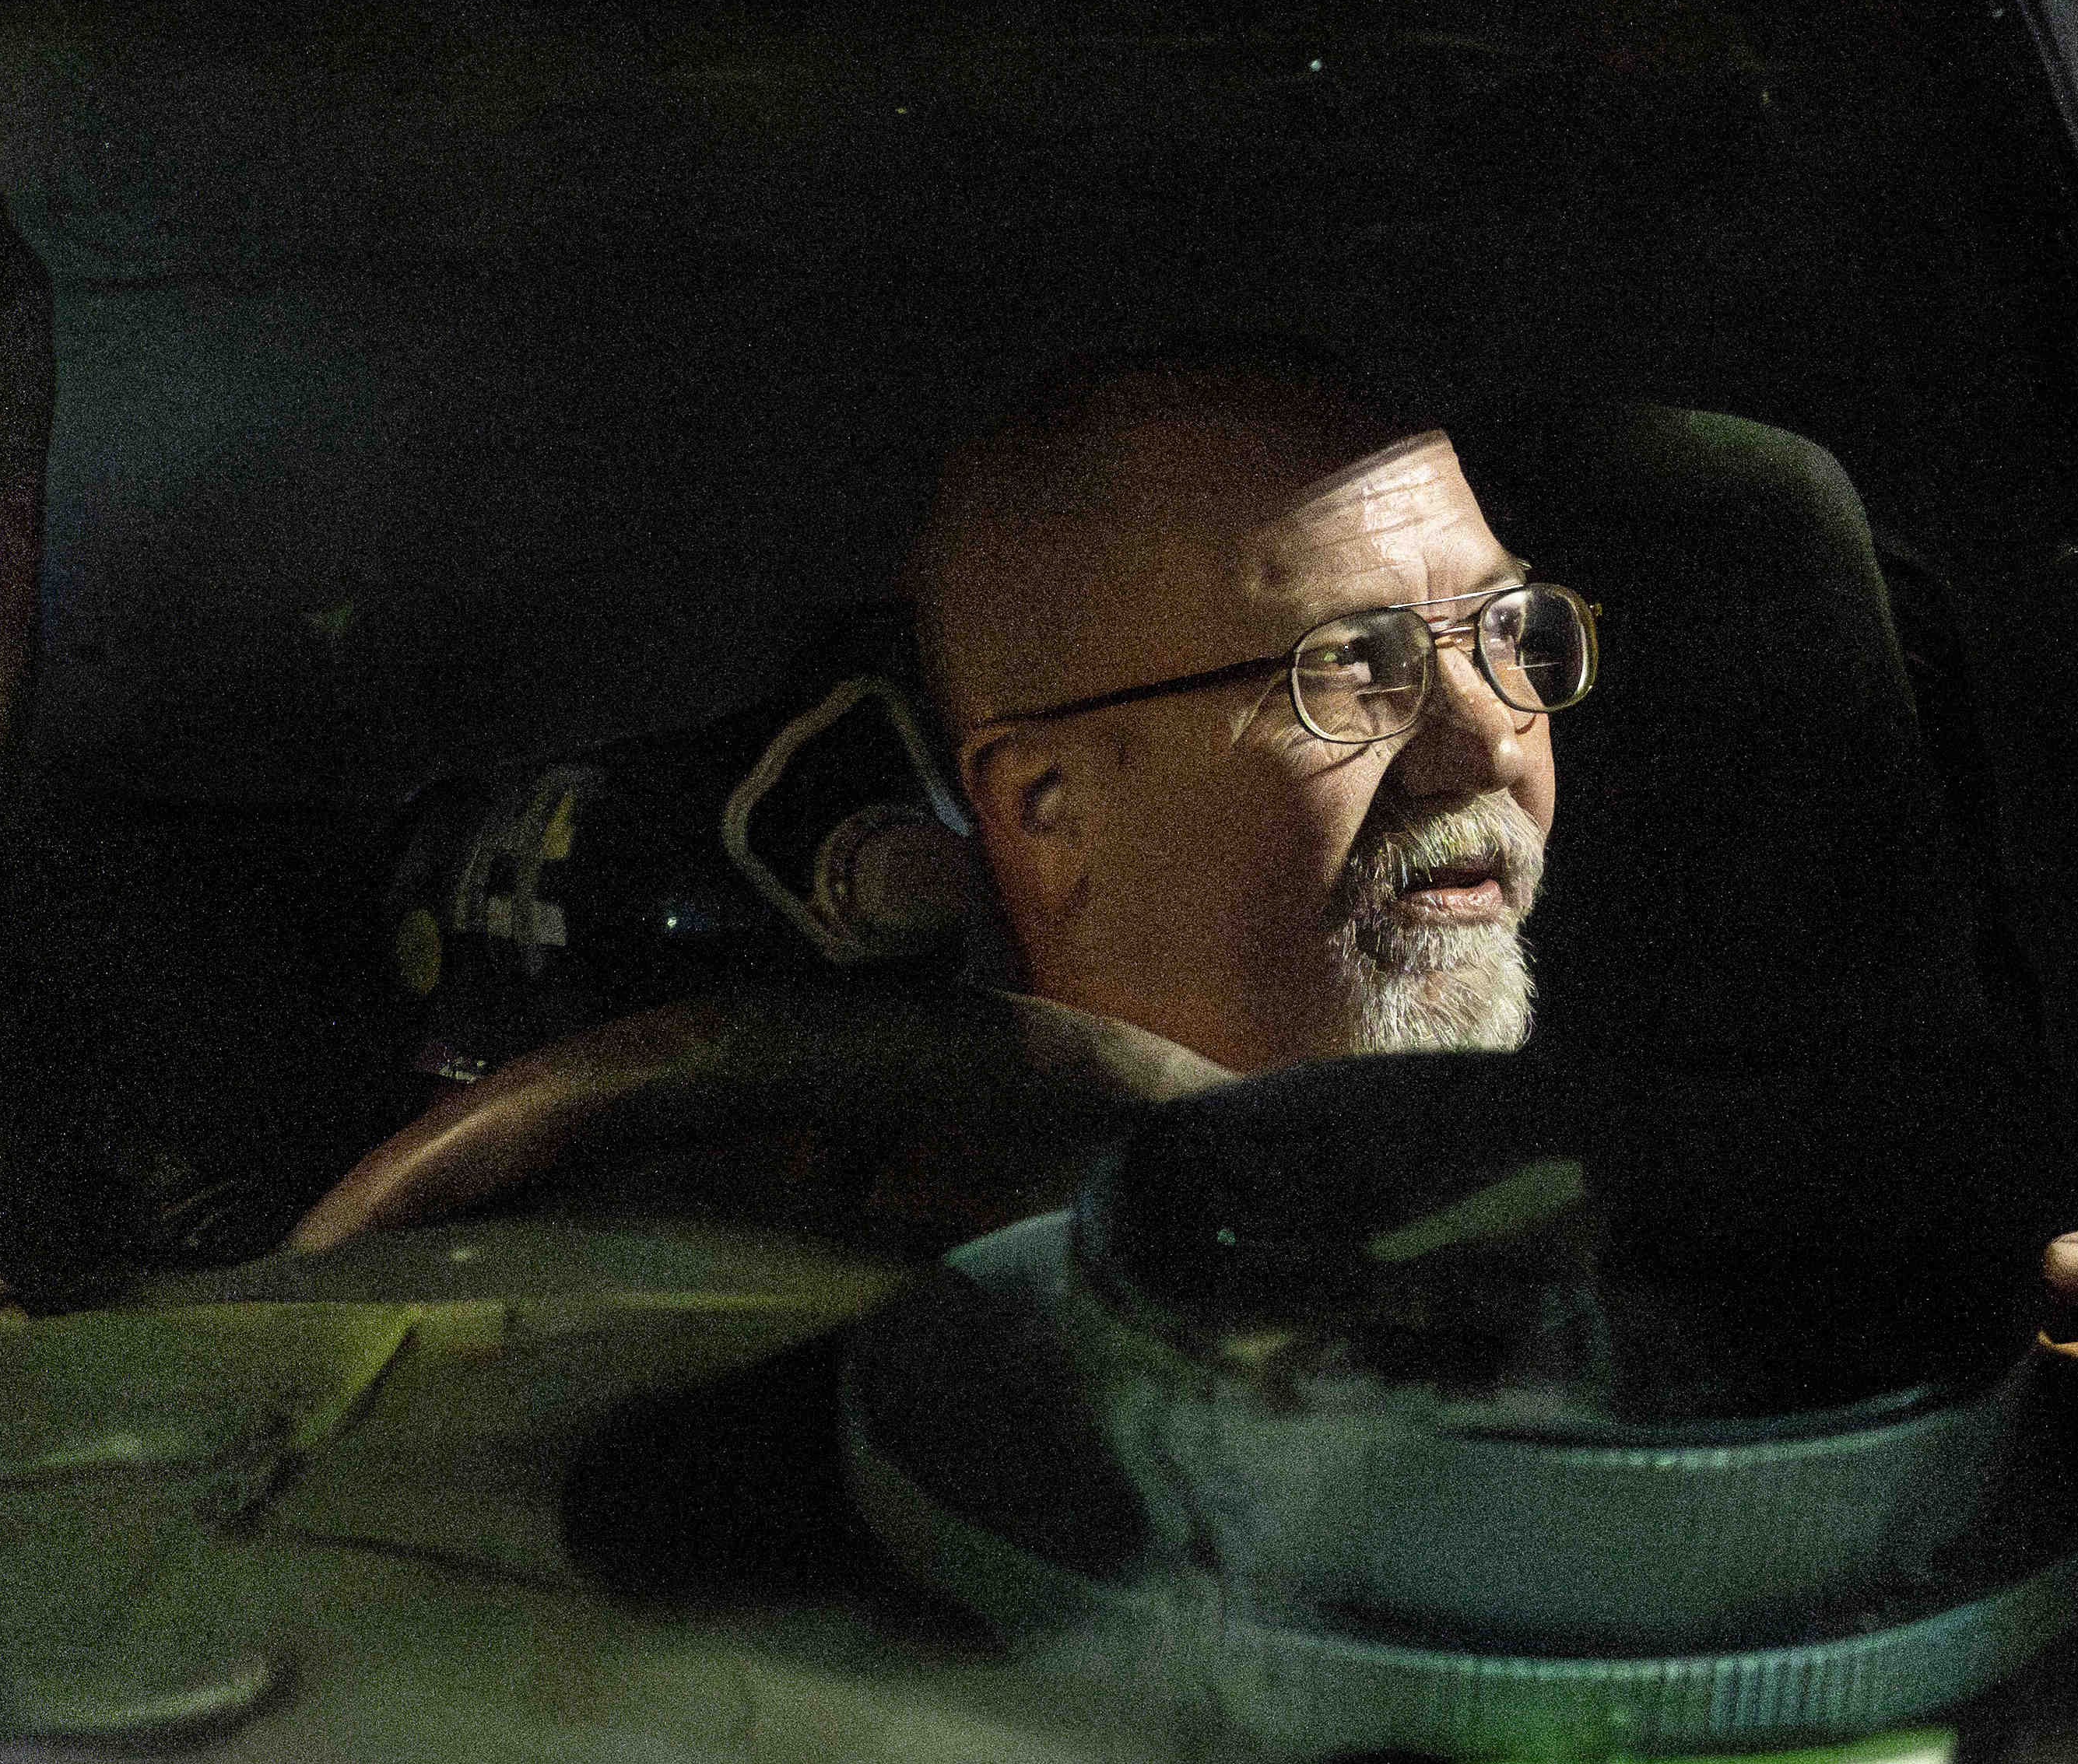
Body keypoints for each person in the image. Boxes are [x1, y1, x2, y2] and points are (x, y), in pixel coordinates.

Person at [288, 355, 1587, 1249]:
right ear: (1047, 806)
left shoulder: (1603, 1238)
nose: (1490, 745)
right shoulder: (798, 1278)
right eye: (1353, 665)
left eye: (1505, 632)